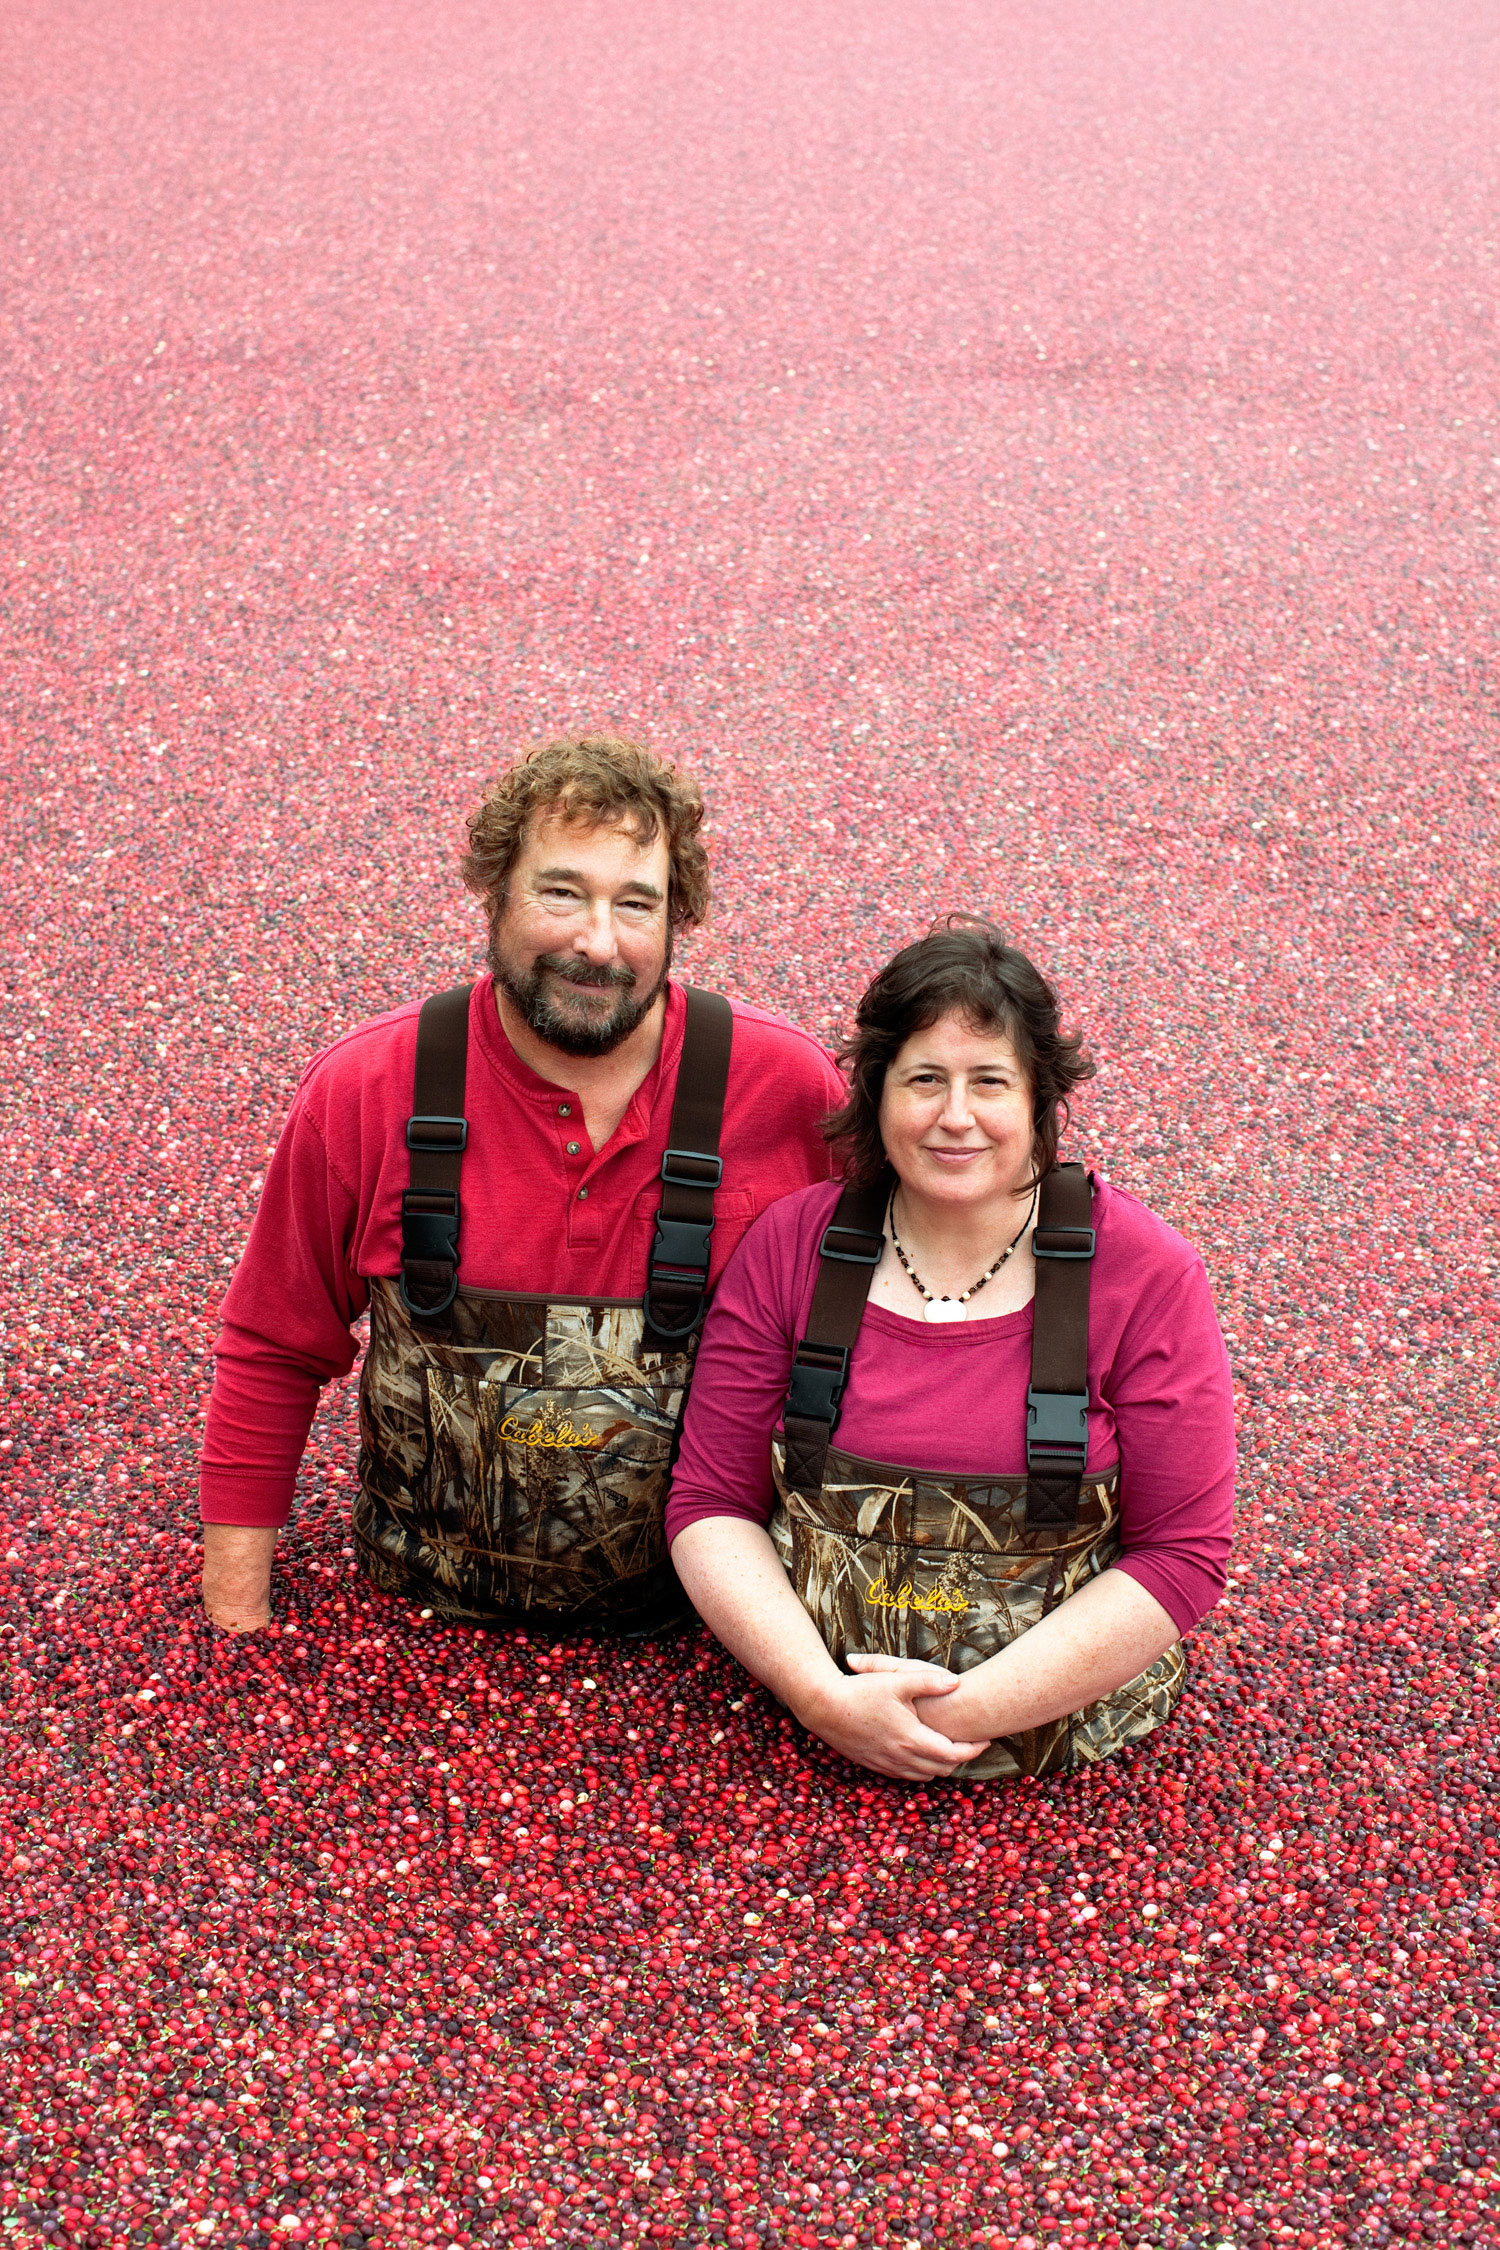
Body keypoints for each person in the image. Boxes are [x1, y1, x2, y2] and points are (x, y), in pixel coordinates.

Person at [199, 734, 845, 1636]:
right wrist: (238, 1625)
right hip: (419, 1623)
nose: (597, 942)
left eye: (636, 903)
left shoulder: (790, 1092)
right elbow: (274, 1346)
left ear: (677, 920)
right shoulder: (365, 1089)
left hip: (713, 1629)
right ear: (493, 895)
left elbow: (900, 1330)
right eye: (561, 892)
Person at [667, 918, 1235, 1780]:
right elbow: (710, 1502)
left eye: (990, 1081)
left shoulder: (1147, 1273)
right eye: (924, 1078)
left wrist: (951, 1720)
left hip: (1064, 1762)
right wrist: (821, 1699)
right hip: (801, 1735)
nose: (955, 1117)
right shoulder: (792, 1244)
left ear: (1042, 1099)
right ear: (876, 1092)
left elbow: (1180, 1552)